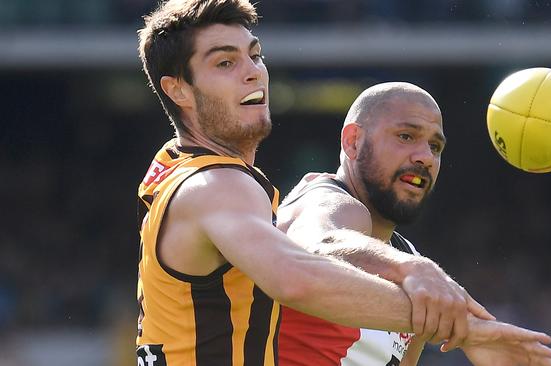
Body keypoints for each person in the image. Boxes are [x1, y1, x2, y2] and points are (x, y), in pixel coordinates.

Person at [135, 1, 504, 365]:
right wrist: (457, 321)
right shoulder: (217, 183)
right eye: (225, 62)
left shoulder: (180, 167)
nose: (254, 72)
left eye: (256, 56)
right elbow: (298, 276)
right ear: (178, 90)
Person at [277, 82, 551, 365]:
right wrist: (413, 270)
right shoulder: (323, 199)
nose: (425, 157)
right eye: (405, 136)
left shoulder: (408, 262)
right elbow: (318, 243)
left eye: (435, 146)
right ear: (353, 141)